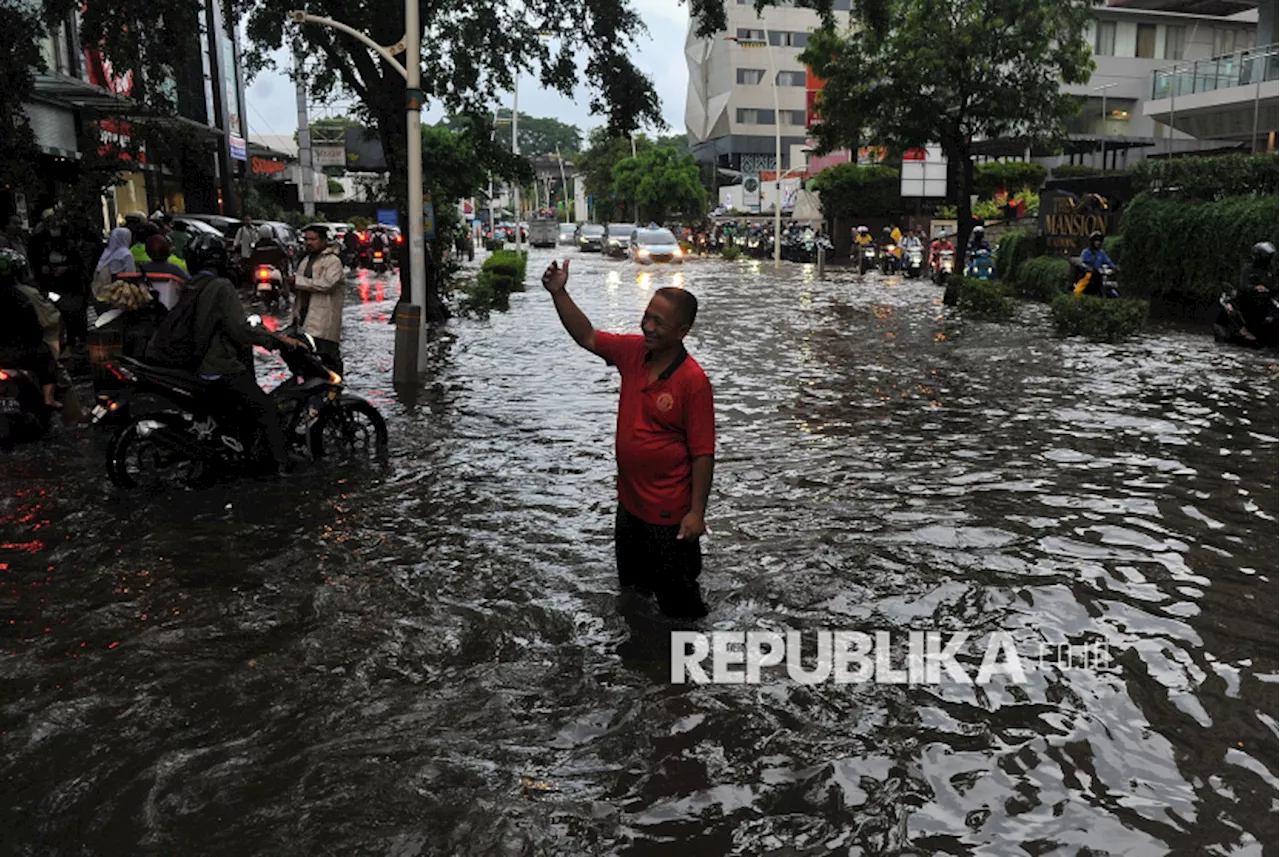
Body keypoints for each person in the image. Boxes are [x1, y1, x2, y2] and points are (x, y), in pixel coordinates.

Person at [542, 258, 715, 619]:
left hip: (669, 517)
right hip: (630, 506)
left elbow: (702, 454)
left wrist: (697, 514)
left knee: (679, 608)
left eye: (658, 323)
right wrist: (559, 293)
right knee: (633, 595)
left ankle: (684, 666)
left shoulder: (692, 381)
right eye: (647, 316)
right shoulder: (633, 353)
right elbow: (587, 336)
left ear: (682, 331)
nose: (647, 326)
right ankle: (639, 662)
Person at [172, 233, 303, 474]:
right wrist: (276, 341)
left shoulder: (192, 285)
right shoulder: (221, 287)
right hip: (218, 366)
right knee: (266, 409)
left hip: (194, 363)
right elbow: (240, 330)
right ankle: (282, 466)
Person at [0, 249, 59, 407]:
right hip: (18, 353)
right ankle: (49, 399)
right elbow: (35, 330)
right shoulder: (22, 296)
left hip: (9, 352)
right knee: (46, 355)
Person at [291, 226, 346, 373]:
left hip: (323, 320)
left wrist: (297, 281)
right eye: (306, 239)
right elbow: (300, 289)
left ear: (323, 241)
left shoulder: (333, 262)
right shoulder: (306, 260)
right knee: (304, 359)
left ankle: (335, 390)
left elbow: (327, 284)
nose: (309, 242)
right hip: (304, 319)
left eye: (313, 239)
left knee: (328, 357)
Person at [1229, 241, 1279, 344]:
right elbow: (1243, 286)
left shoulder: (1270, 270)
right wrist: (1255, 288)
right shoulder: (1248, 269)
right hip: (1250, 299)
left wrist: (1270, 289)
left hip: (1267, 299)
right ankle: (1245, 328)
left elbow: (1274, 285)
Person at [91, 227, 138, 299]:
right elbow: (130, 274)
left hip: (106, 287)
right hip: (120, 288)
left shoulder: (106, 252)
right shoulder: (126, 254)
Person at [1074, 230, 1116, 296]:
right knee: (1080, 288)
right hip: (1088, 274)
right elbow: (1081, 263)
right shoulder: (1086, 252)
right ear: (1092, 242)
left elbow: (1108, 261)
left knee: (1110, 284)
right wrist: (1087, 267)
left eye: (1099, 241)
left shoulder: (1101, 253)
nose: (1097, 243)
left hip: (1099, 274)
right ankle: (1075, 298)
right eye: (1096, 241)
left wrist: (1115, 268)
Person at [233, 215, 258, 281]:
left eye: (249, 220)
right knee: (245, 266)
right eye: (246, 220)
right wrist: (235, 246)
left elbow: (257, 238)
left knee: (253, 266)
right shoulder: (241, 230)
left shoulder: (254, 229)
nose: (248, 222)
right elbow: (237, 239)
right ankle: (245, 279)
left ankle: (252, 279)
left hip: (253, 251)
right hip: (244, 251)